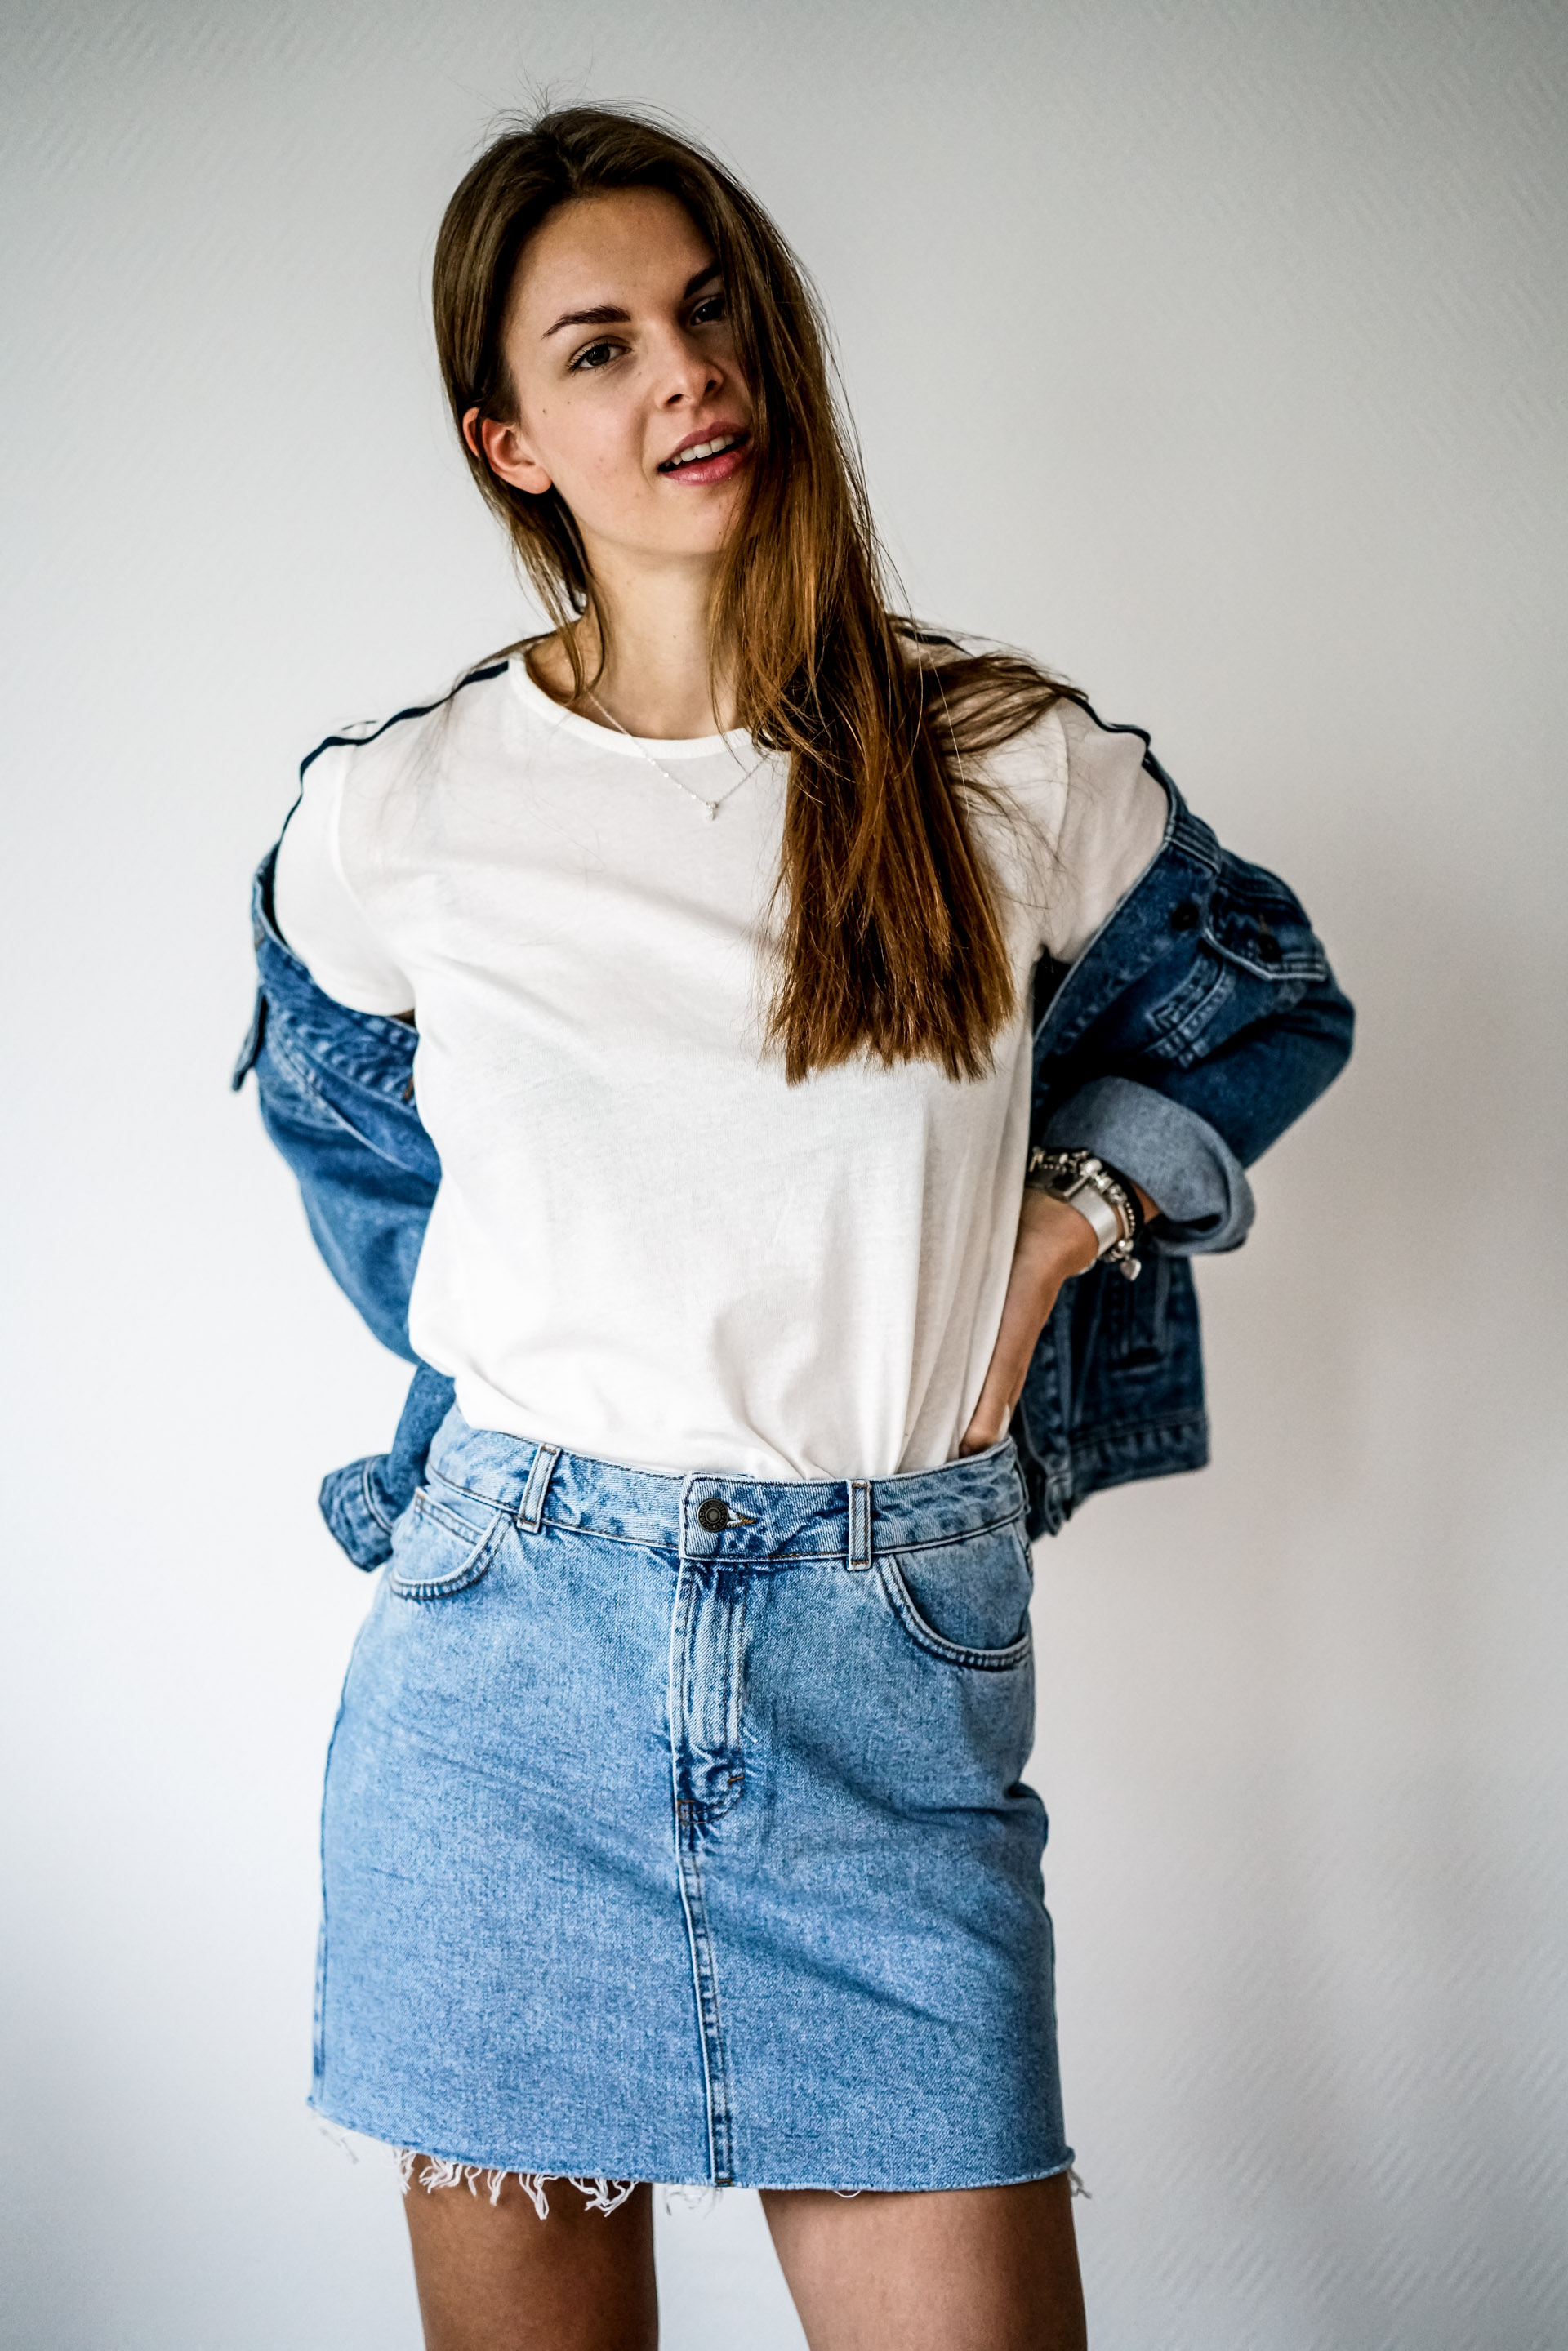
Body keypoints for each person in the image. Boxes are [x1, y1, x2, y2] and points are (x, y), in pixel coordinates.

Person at [236, 104, 1353, 2351]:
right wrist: (514, 1366)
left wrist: (1066, 1220)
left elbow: (1265, 1000)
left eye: (713, 306)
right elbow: (346, 1122)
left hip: (885, 1685)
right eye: (603, 345)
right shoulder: (405, 816)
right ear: (510, 438)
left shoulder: (1006, 760)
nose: (685, 373)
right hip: (503, 1702)